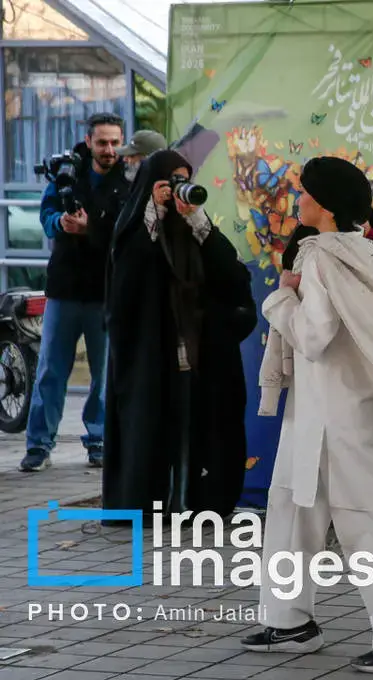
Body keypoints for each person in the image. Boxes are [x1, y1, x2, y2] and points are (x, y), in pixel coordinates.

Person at [242, 156, 373, 673]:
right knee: (291, 511)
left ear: (326, 205)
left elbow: (312, 336)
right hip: (318, 411)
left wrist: (279, 301)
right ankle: (289, 622)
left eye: (304, 191)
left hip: (345, 414)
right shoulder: (355, 250)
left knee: (368, 520)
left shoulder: (326, 256)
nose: (297, 199)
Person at [105, 150, 257, 520]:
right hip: (151, 352)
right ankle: (150, 503)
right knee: (152, 426)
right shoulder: (135, 229)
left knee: (203, 426)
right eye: (172, 181)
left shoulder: (194, 228)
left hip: (198, 350)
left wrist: (197, 221)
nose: (178, 189)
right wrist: (153, 212)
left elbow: (233, 276)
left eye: (184, 180)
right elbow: (127, 282)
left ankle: (200, 501)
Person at [281, 214, 373, 532]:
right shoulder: (308, 235)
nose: (300, 199)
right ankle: (332, 512)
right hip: (338, 353)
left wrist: (367, 236)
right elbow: (291, 267)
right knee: (335, 436)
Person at [21, 112, 130, 473]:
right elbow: (47, 213)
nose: (109, 149)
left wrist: (89, 229)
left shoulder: (129, 180)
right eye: (102, 142)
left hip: (104, 292)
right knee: (50, 370)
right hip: (64, 289)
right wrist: (60, 223)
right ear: (89, 142)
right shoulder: (67, 171)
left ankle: (98, 440)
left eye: (114, 142)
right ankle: (38, 445)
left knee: (103, 374)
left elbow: (124, 233)